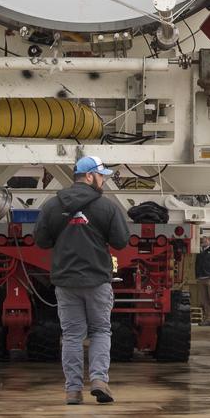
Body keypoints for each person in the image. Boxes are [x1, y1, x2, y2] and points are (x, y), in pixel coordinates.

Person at [34, 156, 128, 405]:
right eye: (102, 176)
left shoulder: (52, 206)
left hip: (66, 282)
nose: (104, 181)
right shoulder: (106, 207)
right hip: (97, 280)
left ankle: (73, 391)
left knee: (73, 335)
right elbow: (121, 241)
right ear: (89, 176)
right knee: (99, 331)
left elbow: (41, 241)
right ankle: (99, 380)